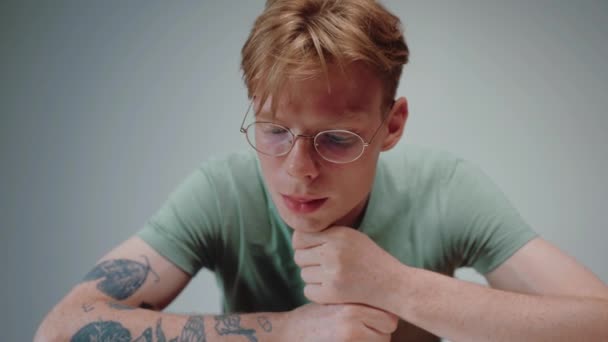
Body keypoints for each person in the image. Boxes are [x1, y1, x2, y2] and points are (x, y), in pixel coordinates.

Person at [35, 0, 608, 341]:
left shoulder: (446, 188)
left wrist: (397, 286)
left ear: (392, 126)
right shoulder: (223, 190)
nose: (298, 170)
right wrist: (283, 332)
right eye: (275, 131)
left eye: (336, 139)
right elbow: (61, 328)